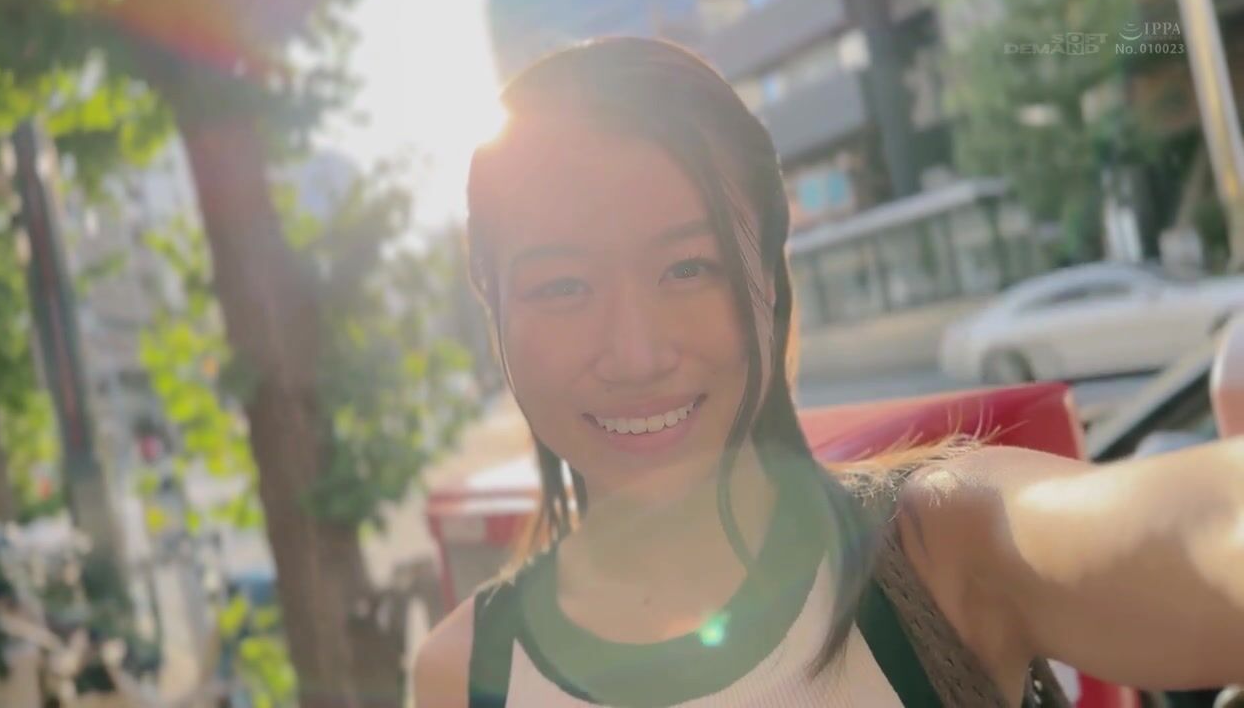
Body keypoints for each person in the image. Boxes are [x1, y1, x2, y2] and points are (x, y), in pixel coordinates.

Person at [415, 37, 1244, 707]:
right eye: (562, 286)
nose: (636, 354)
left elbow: (1190, 532)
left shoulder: (941, 551)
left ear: (771, 285)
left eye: (688, 268)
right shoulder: (464, 676)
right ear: (494, 312)